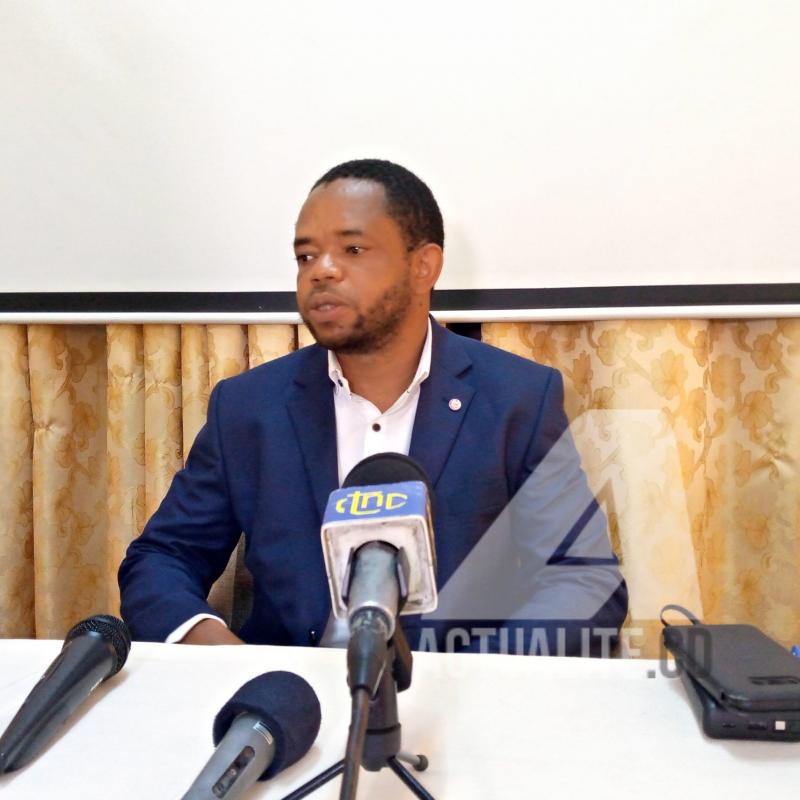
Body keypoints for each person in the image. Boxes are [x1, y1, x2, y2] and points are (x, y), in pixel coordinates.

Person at [118, 159, 627, 654]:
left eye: (353, 249)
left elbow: (582, 581)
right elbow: (161, 558)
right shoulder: (249, 407)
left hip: (457, 695)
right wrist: (224, 654)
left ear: (424, 266)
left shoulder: (515, 398)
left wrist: (469, 676)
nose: (322, 271)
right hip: (289, 696)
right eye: (306, 256)